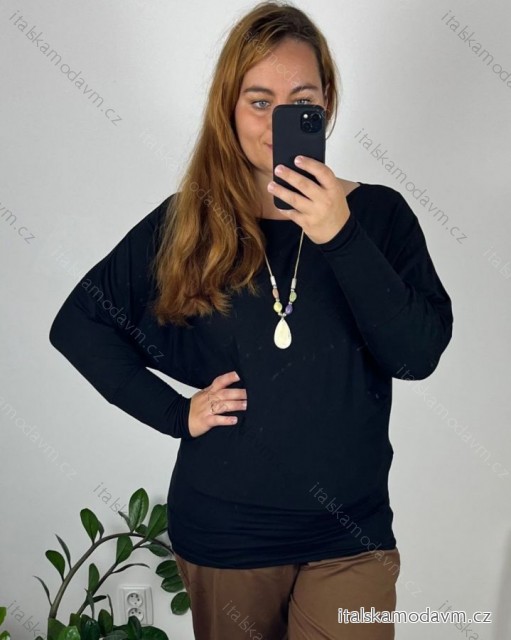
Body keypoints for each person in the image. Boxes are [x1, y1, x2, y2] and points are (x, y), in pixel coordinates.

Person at [49, 2, 454, 638]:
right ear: (229, 109)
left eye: (301, 101)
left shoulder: (379, 216)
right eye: (259, 101)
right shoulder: (190, 220)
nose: (275, 122)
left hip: (351, 536)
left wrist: (339, 235)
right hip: (227, 535)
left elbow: (417, 355)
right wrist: (174, 413)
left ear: (326, 103)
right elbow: (79, 324)